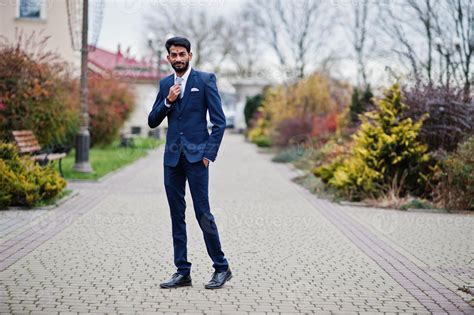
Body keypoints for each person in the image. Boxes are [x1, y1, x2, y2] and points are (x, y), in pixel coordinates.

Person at [148, 36, 232, 289]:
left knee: (202, 213)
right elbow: (152, 120)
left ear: (190, 55)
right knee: (176, 215)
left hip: (197, 159)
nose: (178, 59)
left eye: (182, 54)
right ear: (168, 58)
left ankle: (221, 267)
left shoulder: (205, 81)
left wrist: (209, 154)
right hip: (172, 160)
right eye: (173, 55)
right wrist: (168, 101)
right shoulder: (165, 85)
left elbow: (219, 122)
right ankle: (182, 271)